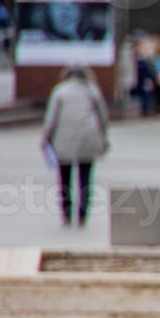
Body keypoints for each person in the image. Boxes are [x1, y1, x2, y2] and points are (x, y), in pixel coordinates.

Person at [41, 64, 109, 228]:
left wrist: (45, 138)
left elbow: (51, 119)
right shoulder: (92, 90)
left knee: (64, 177)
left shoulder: (60, 91)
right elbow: (103, 116)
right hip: (88, 137)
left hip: (64, 139)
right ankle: (83, 213)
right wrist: (104, 138)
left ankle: (66, 212)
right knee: (85, 176)